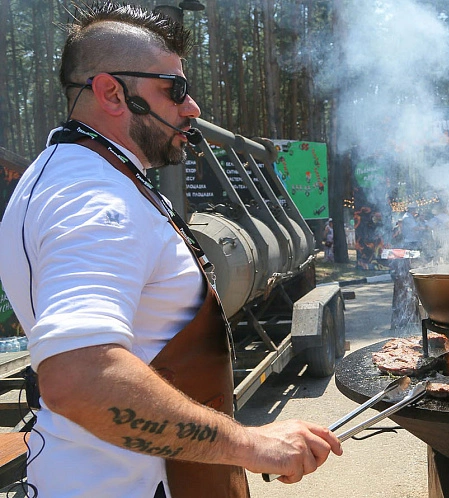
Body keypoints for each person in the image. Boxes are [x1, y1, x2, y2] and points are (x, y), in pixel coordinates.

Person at [0, 4, 341, 496]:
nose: (192, 106)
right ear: (111, 92)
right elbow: (80, 377)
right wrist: (251, 445)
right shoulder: (94, 199)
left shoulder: (85, 175)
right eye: (174, 89)